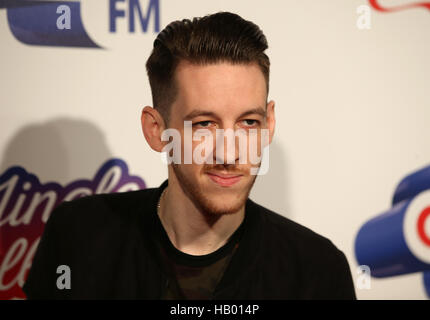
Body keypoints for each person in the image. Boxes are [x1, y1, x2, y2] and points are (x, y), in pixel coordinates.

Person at [23, 12, 356, 300]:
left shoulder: (317, 271)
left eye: (248, 122)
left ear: (268, 125)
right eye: (205, 124)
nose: (229, 152)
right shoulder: (79, 237)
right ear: (156, 130)